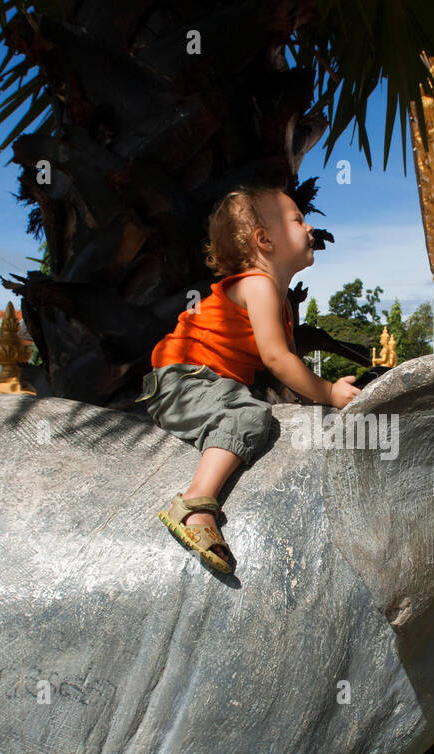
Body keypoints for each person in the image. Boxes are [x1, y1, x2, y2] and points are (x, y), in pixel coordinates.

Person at [138, 185, 361, 574]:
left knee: (266, 409)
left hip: (210, 382)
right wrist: (330, 393)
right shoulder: (258, 285)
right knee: (247, 416)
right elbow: (277, 358)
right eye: (298, 220)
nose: (310, 229)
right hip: (182, 380)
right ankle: (195, 503)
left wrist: (316, 402)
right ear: (264, 240)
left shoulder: (281, 301)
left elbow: (289, 376)